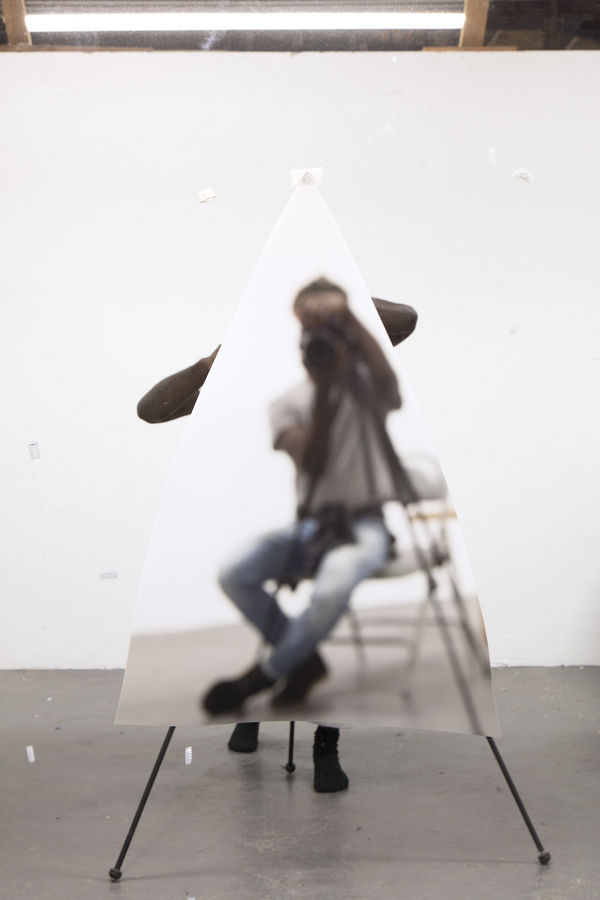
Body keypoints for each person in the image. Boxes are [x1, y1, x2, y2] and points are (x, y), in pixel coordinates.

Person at [137, 286, 417, 792]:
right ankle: (298, 663)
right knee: (242, 573)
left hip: (351, 518)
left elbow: (405, 321)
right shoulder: (265, 388)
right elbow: (151, 410)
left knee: (331, 585)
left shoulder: (357, 376)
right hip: (285, 515)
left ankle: (312, 726)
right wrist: (210, 363)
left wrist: (344, 304)